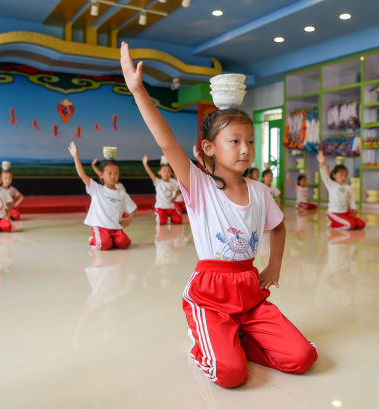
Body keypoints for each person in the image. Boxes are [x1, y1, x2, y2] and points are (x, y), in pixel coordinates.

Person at [120, 41, 317, 388]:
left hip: (249, 292)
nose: (245, 149)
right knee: (231, 375)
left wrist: (273, 266)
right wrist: (138, 92)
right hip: (210, 295)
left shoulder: (260, 191)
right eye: (234, 141)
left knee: (303, 357)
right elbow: (167, 143)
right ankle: (207, 344)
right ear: (209, 148)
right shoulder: (199, 185)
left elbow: (279, 227)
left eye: (250, 141)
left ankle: (238, 339)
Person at [68, 142, 137, 250]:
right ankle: (94, 239)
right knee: (104, 245)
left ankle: (110, 239)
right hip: (100, 227)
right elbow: (82, 175)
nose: (113, 176)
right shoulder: (97, 189)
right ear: (101, 175)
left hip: (115, 228)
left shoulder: (122, 194)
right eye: (109, 173)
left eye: (116, 173)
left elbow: (133, 209)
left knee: (124, 244)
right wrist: (76, 156)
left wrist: (128, 219)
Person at [316, 150, 365, 230]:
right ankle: (333, 225)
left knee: (361, 224)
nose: (343, 177)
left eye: (345, 175)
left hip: (345, 213)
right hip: (334, 213)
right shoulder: (331, 185)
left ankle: (339, 222)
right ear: (334, 175)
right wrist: (321, 163)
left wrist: (353, 207)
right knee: (350, 225)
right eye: (341, 175)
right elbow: (324, 176)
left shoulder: (347, 187)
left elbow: (351, 198)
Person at [142, 155, 183, 225]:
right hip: (161, 208)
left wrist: (175, 198)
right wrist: (145, 164)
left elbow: (178, 190)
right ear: (159, 172)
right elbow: (151, 174)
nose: (166, 173)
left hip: (171, 208)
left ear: (171, 173)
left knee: (178, 221)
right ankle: (160, 215)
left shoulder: (173, 182)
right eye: (164, 171)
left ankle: (169, 217)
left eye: (168, 171)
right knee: (162, 222)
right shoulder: (158, 182)